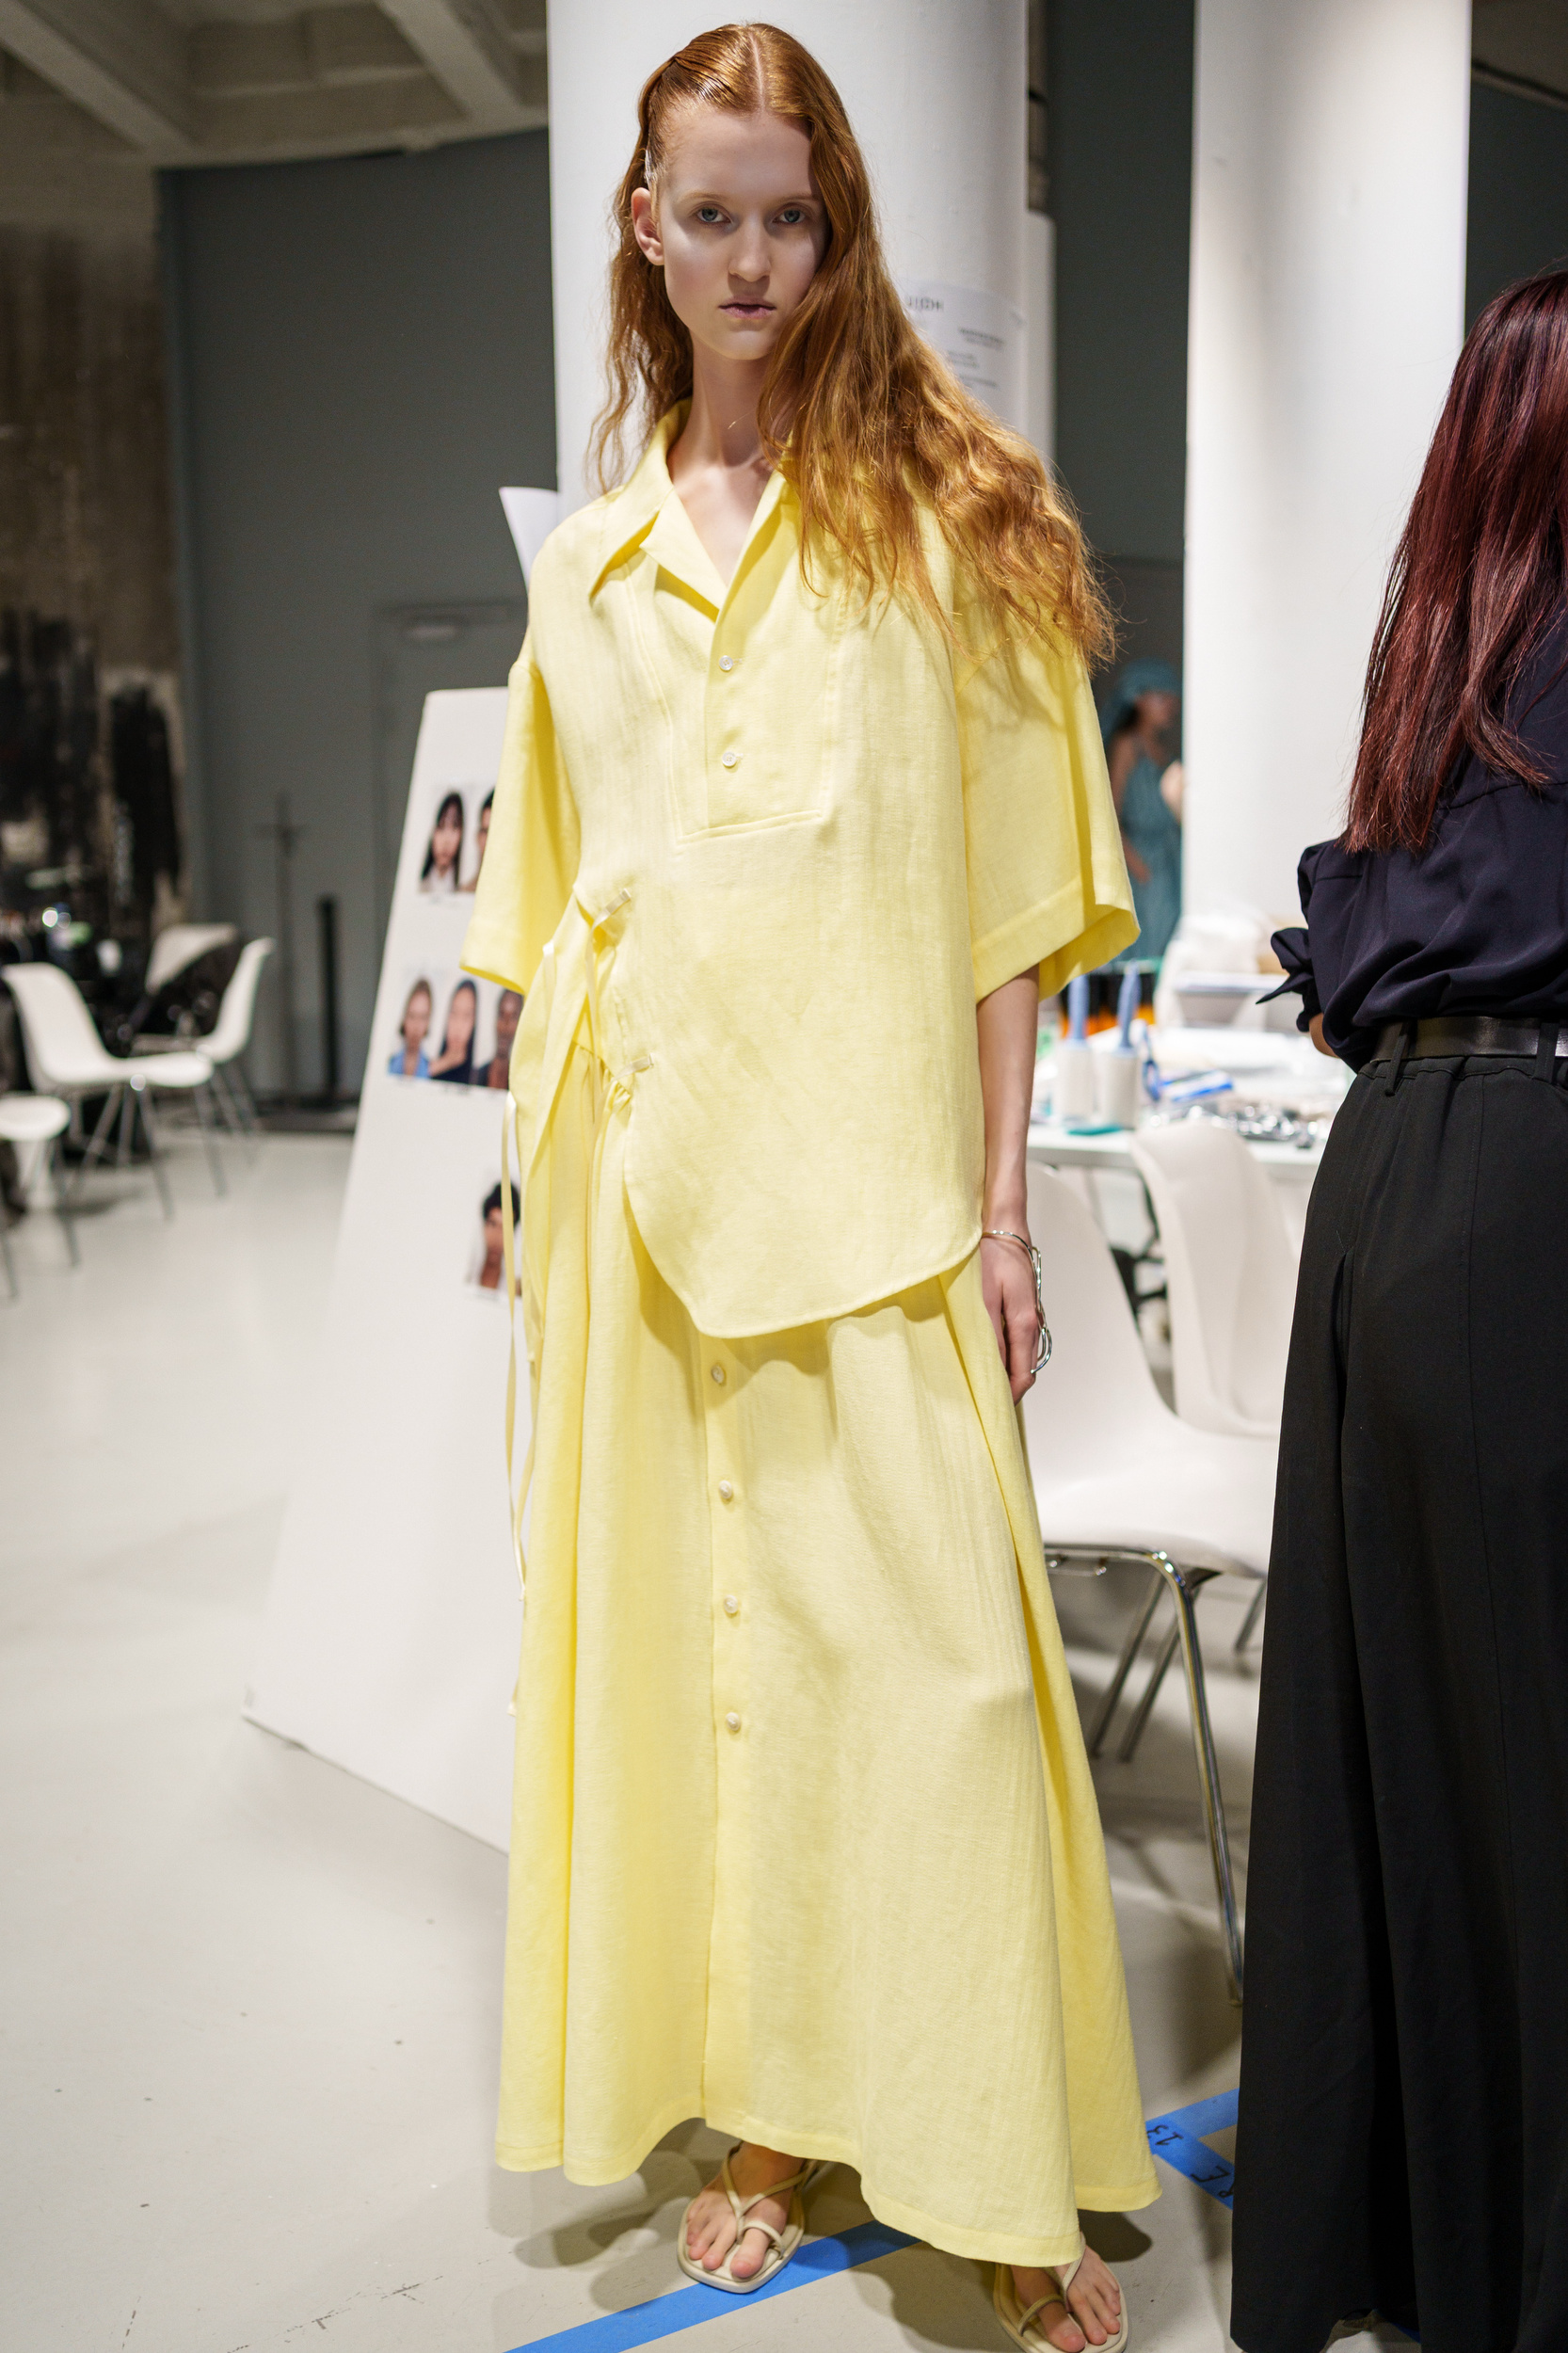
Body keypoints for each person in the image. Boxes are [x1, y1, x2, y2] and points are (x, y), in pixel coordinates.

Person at [462, 27, 1155, 2352]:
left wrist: (1004, 1210)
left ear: (835, 234)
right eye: (713, 213)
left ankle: (989, 2150)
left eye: (791, 215)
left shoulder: (945, 531)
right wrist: (522, 1197)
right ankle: (764, 2113)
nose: (752, 258)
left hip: (874, 1201)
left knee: (940, 1682)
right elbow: (556, 902)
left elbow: (1003, 914)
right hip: (642, 1191)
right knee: (715, 1675)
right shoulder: (590, 568)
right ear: (643, 229)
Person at [1232, 267, 1568, 2353]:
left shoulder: (1442, 649)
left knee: (1394, 1748)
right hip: (1523, 1181)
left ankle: (1404, 2252)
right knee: (1528, 1764)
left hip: (1390, 1181)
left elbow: (1353, 938)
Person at [1097, 661, 1182, 966]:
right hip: (1141, 863)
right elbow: (1110, 815)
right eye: (1160, 696)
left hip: (1169, 860)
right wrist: (1138, 867)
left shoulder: (1163, 750)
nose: (1170, 705)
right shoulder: (1127, 746)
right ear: (1138, 699)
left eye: (1172, 697)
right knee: (1143, 951)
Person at [428, 977, 477, 1084]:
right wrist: (444, 1063)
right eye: (454, 1013)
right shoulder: (427, 1069)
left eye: (466, 1016)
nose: (458, 1026)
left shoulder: (478, 1079)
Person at [473, 1180, 520, 1291]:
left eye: (506, 1228)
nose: (498, 1236)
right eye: (493, 1224)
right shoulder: (464, 1275)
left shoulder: (518, 1291)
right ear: (484, 1225)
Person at [475, 985, 521, 1087]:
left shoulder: (521, 1085)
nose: (505, 1026)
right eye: (502, 1015)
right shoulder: (475, 1077)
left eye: (513, 1018)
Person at [387, 978, 432, 1078]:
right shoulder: (388, 1065)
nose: (416, 1026)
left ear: (428, 1022)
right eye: (412, 1016)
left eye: (423, 1017)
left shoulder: (432, 1070)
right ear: (404, 1018)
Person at [420, 791, 464, 892]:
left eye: (454, 827)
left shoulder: (464, 889)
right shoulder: (420, 886)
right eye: (441, 826)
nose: (446, 841)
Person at [463, 789, 494, 890]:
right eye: (486, 831)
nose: (491, 841)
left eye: (496, 833)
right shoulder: (464, 892)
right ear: (478, 837)